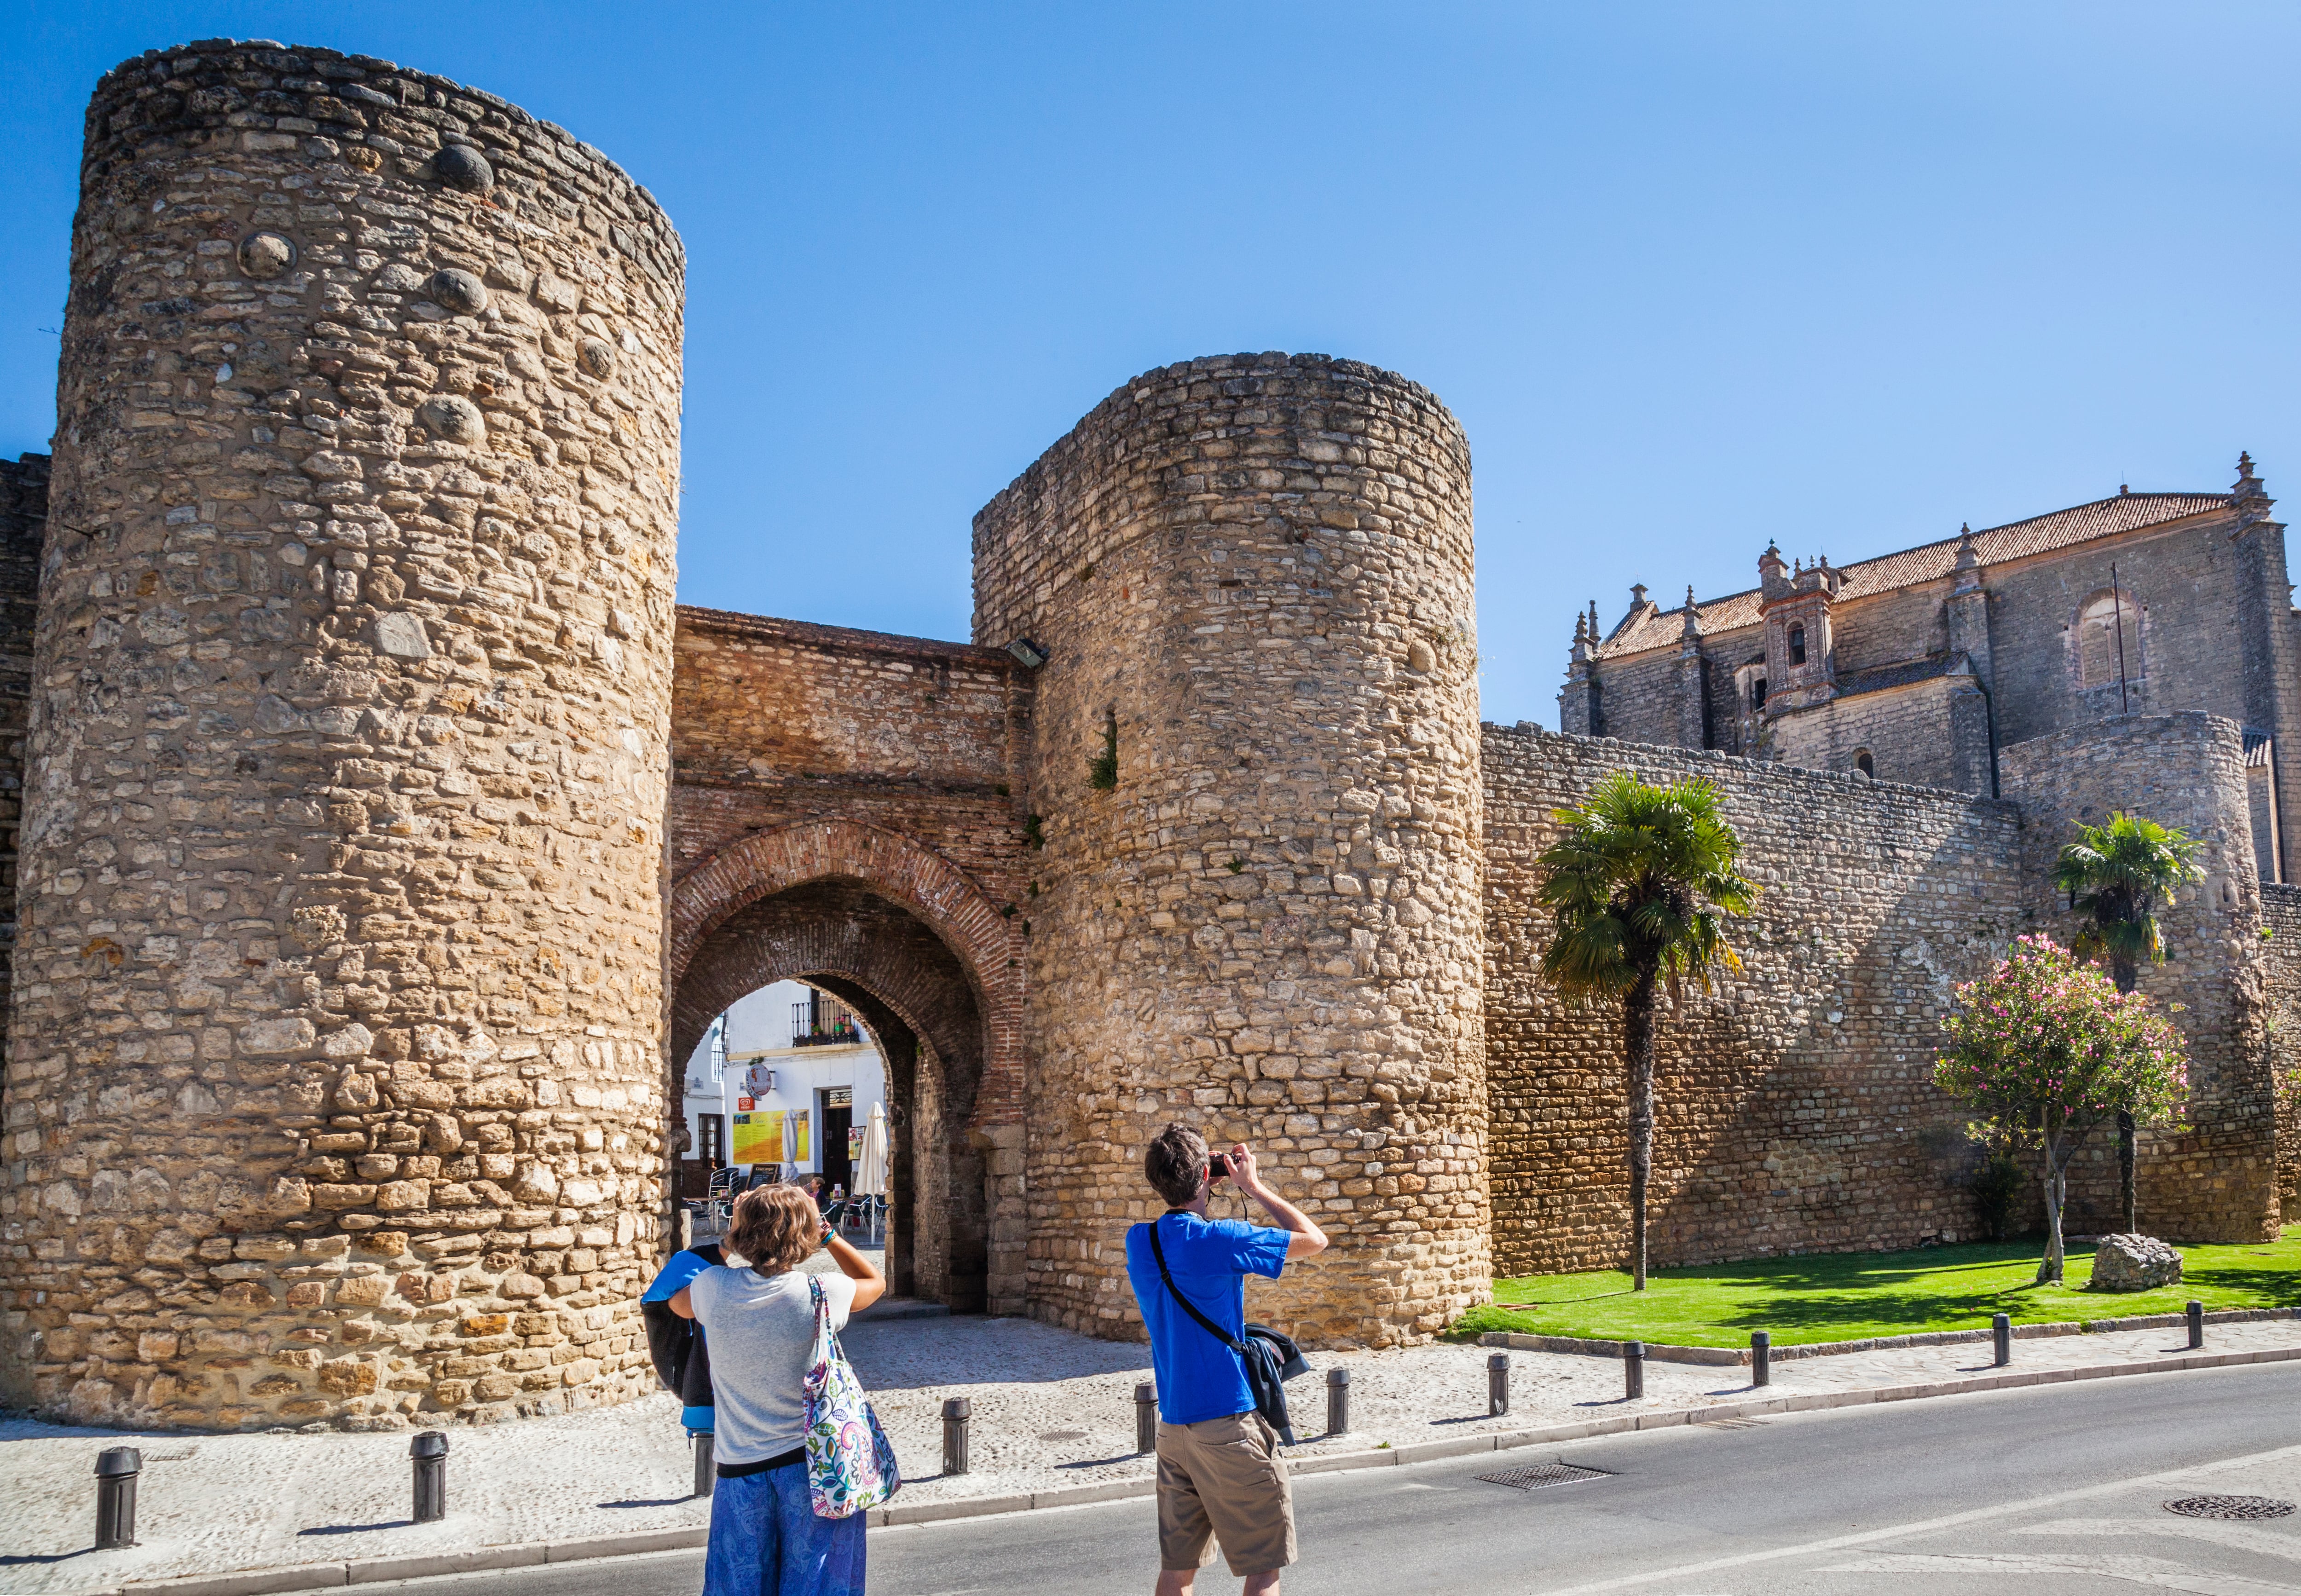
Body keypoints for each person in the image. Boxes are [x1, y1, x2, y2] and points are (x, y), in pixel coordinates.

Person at [1125, 1125, 1327, 1596]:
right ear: (1204, 1175)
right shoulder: (1222, 1240)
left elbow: (1179, 1223)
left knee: (1178, 1571)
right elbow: (1312, 1239)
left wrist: (1194, 1183)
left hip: (1174, 1428)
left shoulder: (1140, 1242)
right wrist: (1250, 1186)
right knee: (1263, 1567)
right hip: (1228, 1423)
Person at [672, 1183, 886, 1596]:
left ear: (742, 1233)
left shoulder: (711, 1289)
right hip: (813, 1470)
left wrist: (728, 1238)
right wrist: (827, 1233)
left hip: (739, 1472)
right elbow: (873, 1281)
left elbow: (674, 1300)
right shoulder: (823, 1292)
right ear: (803, 1233)